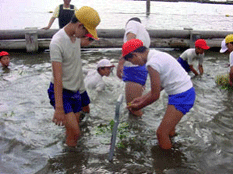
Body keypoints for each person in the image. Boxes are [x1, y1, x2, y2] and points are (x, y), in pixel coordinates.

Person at [124, 39, 196, 150]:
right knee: (169, 130)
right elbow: (161, 86)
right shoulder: (156, 54)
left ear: (135, 54)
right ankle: (174, 149)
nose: (135, 64)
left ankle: (168, 163)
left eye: (133, 61)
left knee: (161, 134)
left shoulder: (152, 64)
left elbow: (155, 96)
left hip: (182, 96)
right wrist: (141, 99)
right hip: (186, 91)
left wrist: (138, 107)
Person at [47, 6, 100, 147]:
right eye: (86, 32)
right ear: (80, 25)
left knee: (72, 131)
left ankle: (70, 158)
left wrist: (89, 40)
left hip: (75, 90)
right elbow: (57, 77)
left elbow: (78, 45)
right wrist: (59, 108)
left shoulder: (75, 36)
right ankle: (70, 162)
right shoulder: (56, 42)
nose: (85, 36)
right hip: (61, 92)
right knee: (76, 132)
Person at [117, 17, 151, 117]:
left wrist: (121, 61)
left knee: (133, 109)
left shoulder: (131, 23)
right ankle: (138, 129)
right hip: (141, 68)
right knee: (136, 106)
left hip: (133, 69)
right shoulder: (145, 33)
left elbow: (130, 42)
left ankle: (140, 131)